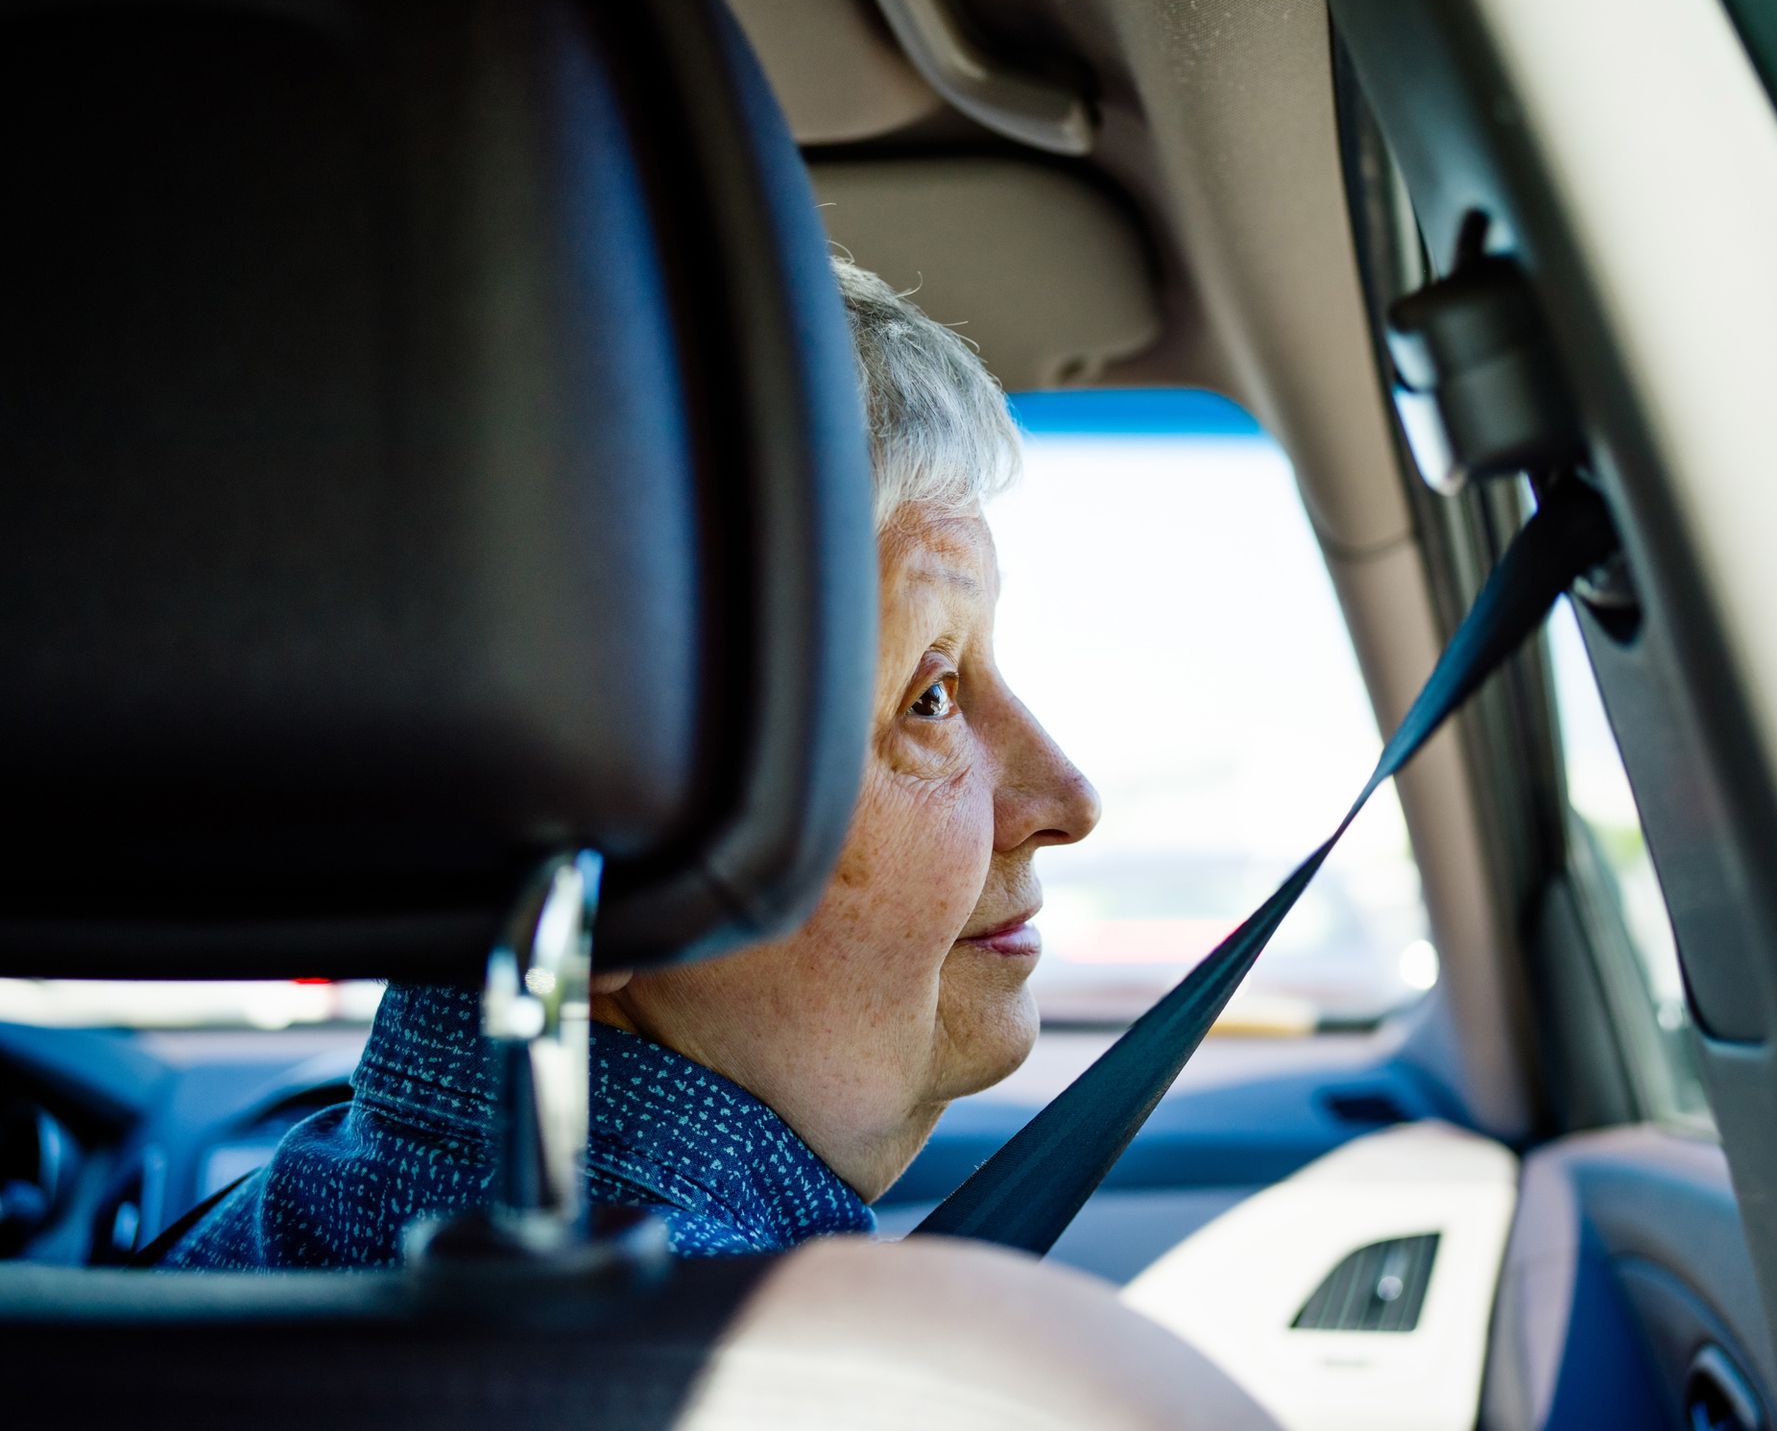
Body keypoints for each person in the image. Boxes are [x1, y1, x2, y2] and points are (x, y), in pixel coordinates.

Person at [162, 259, 1100, 1267]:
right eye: (931, 695)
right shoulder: (767, 1381)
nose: (1064, 797)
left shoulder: (219, 1267)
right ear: (594, 831)